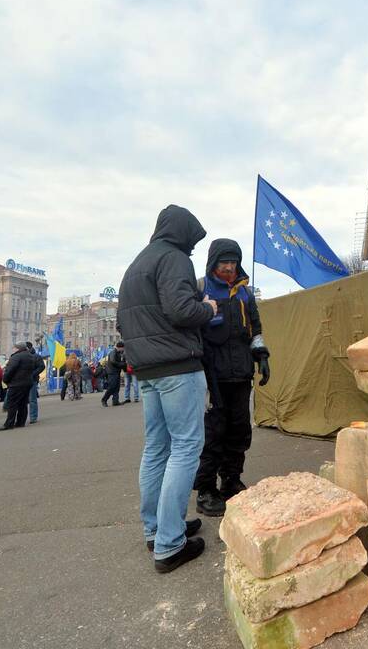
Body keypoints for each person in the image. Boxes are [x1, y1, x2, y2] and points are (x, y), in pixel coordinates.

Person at [118, 204, 217, 573]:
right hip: (178, 366)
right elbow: (181, 311)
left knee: (157, 448)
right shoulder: (174, 258)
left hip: (147, 370)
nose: (192, 248)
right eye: (192, 239)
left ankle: (157, 527)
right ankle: (170, 545)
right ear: (182, 233)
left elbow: (122, 322)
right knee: (187, 446)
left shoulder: (137, 264)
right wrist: (206, 306)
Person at [193, 238, 269, 516]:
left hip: (241, 374)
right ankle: (205, 489)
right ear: (213, 263)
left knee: (240, 429)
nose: (229, 267)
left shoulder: (245, 292)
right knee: (214, 432)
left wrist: (262, 356)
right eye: (224, 262)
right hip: (213, 375)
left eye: (233, 262)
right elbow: (192, 327)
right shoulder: (200, 288)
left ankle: (231, 480)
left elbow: (256, 328)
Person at [0, 343, 42, 430]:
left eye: (14, 347)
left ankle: (9, 424)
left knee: (12, 404)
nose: (13, 349)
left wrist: (5, 380)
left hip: (16, 383)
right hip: (27, 383)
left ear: (17, 348)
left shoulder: (16, 357)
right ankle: (20, 422)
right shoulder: (30, 356)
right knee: (23, 404)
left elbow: (10, 370)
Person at [101, 342, 126, 407]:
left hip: (116, 372)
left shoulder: (119, 353)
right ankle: (104, 400)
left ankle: (115, 401)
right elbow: (113, 361)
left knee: (117, 387)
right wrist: (122, 364)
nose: (123, 349)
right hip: (112, 372)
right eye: (123, 348)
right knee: (111, 387)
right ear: (120, 347)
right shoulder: (113, 352)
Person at [26, 341, 41, 424]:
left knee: (32, 399)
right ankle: (22, 417)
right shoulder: (20, 355)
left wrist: (33, 374)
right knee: (22, 399)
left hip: (32, 380)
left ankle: (33, 417)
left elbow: (41, 366)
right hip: (21, 380)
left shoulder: (36, 356)